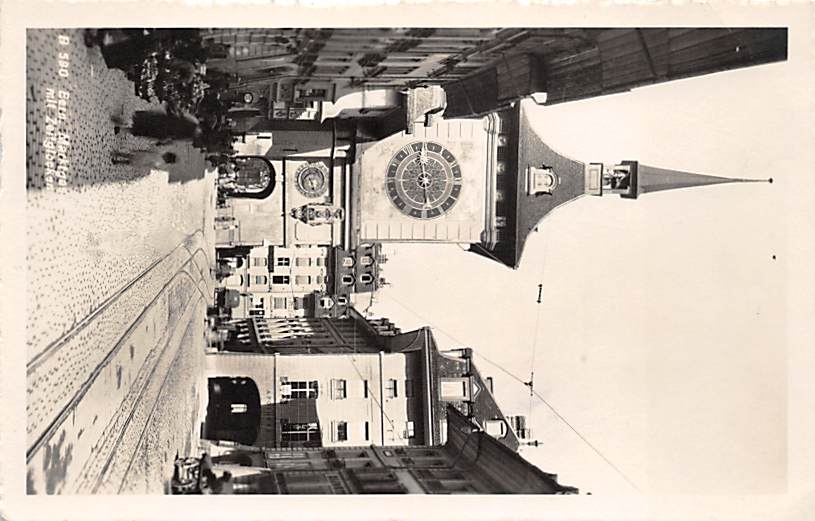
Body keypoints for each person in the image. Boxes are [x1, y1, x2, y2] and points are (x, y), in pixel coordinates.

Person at [111, 149, 177, 169]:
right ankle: (117, 158)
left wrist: (140, 150)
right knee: (129, 159)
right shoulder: (161, 162)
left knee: (129, 159)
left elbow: (151, 165)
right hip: (143, 158)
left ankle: (117, 160)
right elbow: (151, 152)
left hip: (143, 159)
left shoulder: (160, 160)